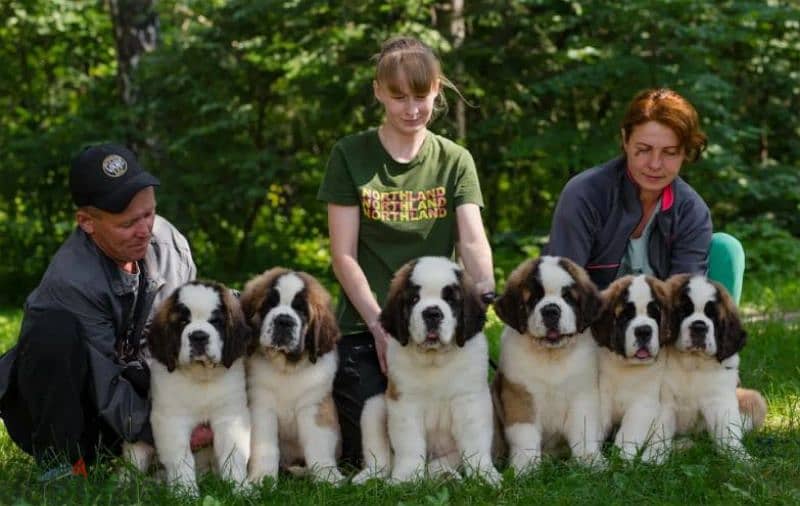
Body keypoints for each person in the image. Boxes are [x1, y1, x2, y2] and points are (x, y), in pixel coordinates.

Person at [317, 36, 495, 466]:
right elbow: (343, 255)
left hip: (442, 318)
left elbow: (471, 240)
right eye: (398, 97)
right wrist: (380, 327)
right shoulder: (350, 155)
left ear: (437, 90)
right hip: (369, 323)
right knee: (367, 451)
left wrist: (485, 295)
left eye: (421, 96)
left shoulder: (454, 160)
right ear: (378, 91)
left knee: (461, 420)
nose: (411, 109)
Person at [0, 143, 202, 478]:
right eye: (127, 224)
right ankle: (61, 465)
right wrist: (169, 434)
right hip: (75, 410)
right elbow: (104, 384)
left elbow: (185, 338)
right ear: (87, 222)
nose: (144, 230)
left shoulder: (169, 244)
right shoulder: (71, 282)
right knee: (54, 331)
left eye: (148, 214)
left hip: (141, 396)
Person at [545, 88, 712, 290]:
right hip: (586, 315)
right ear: (625, 140)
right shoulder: (584, 194)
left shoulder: (692, 211)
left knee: (726, 248)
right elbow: (561, 287)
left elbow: (685, 300)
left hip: (659, 319)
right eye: (643, 150)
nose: (655, 164)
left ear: (685, 152)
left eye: (670, 153)